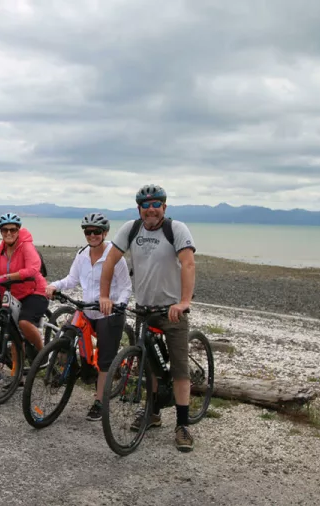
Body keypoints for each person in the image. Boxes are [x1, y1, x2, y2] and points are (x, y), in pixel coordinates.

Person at [98, 184, 198, 453]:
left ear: (164, 207)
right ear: (139, 209)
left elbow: (188, 264)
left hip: (172, 311)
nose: (151, 209)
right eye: (146, 205)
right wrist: (104, 295)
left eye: (157, 205)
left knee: (178, 368)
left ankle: (182, 424)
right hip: (144, 308)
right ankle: (153, 413)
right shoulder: (131, 229)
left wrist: (184, 302)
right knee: (149, 365)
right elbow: (110, 260)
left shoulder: (176, 229)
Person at [46, 212, 132, 421]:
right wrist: (54, 285)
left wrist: (117, 304)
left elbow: (126, 287)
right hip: (86, 309)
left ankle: (99, 402)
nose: (92, 235)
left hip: (108, 314)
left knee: (104, 359)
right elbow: (72, 279)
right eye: (88, 232)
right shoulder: (82, 254)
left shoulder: (115, 256)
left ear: (105, 233)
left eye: (96, 232)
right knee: (66, 336)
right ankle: (71, 368)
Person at [0, 213, 48, 386]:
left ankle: (42, 354)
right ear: (1, 231)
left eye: (13, 229)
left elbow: (33, 268)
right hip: (13, 294)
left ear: (18, 230)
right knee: (13, 335)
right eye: (5, 230)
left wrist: (8, 276)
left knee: (24, 323)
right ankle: (18, 377)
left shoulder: (26, 247)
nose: (9, 233)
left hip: (35, 290)